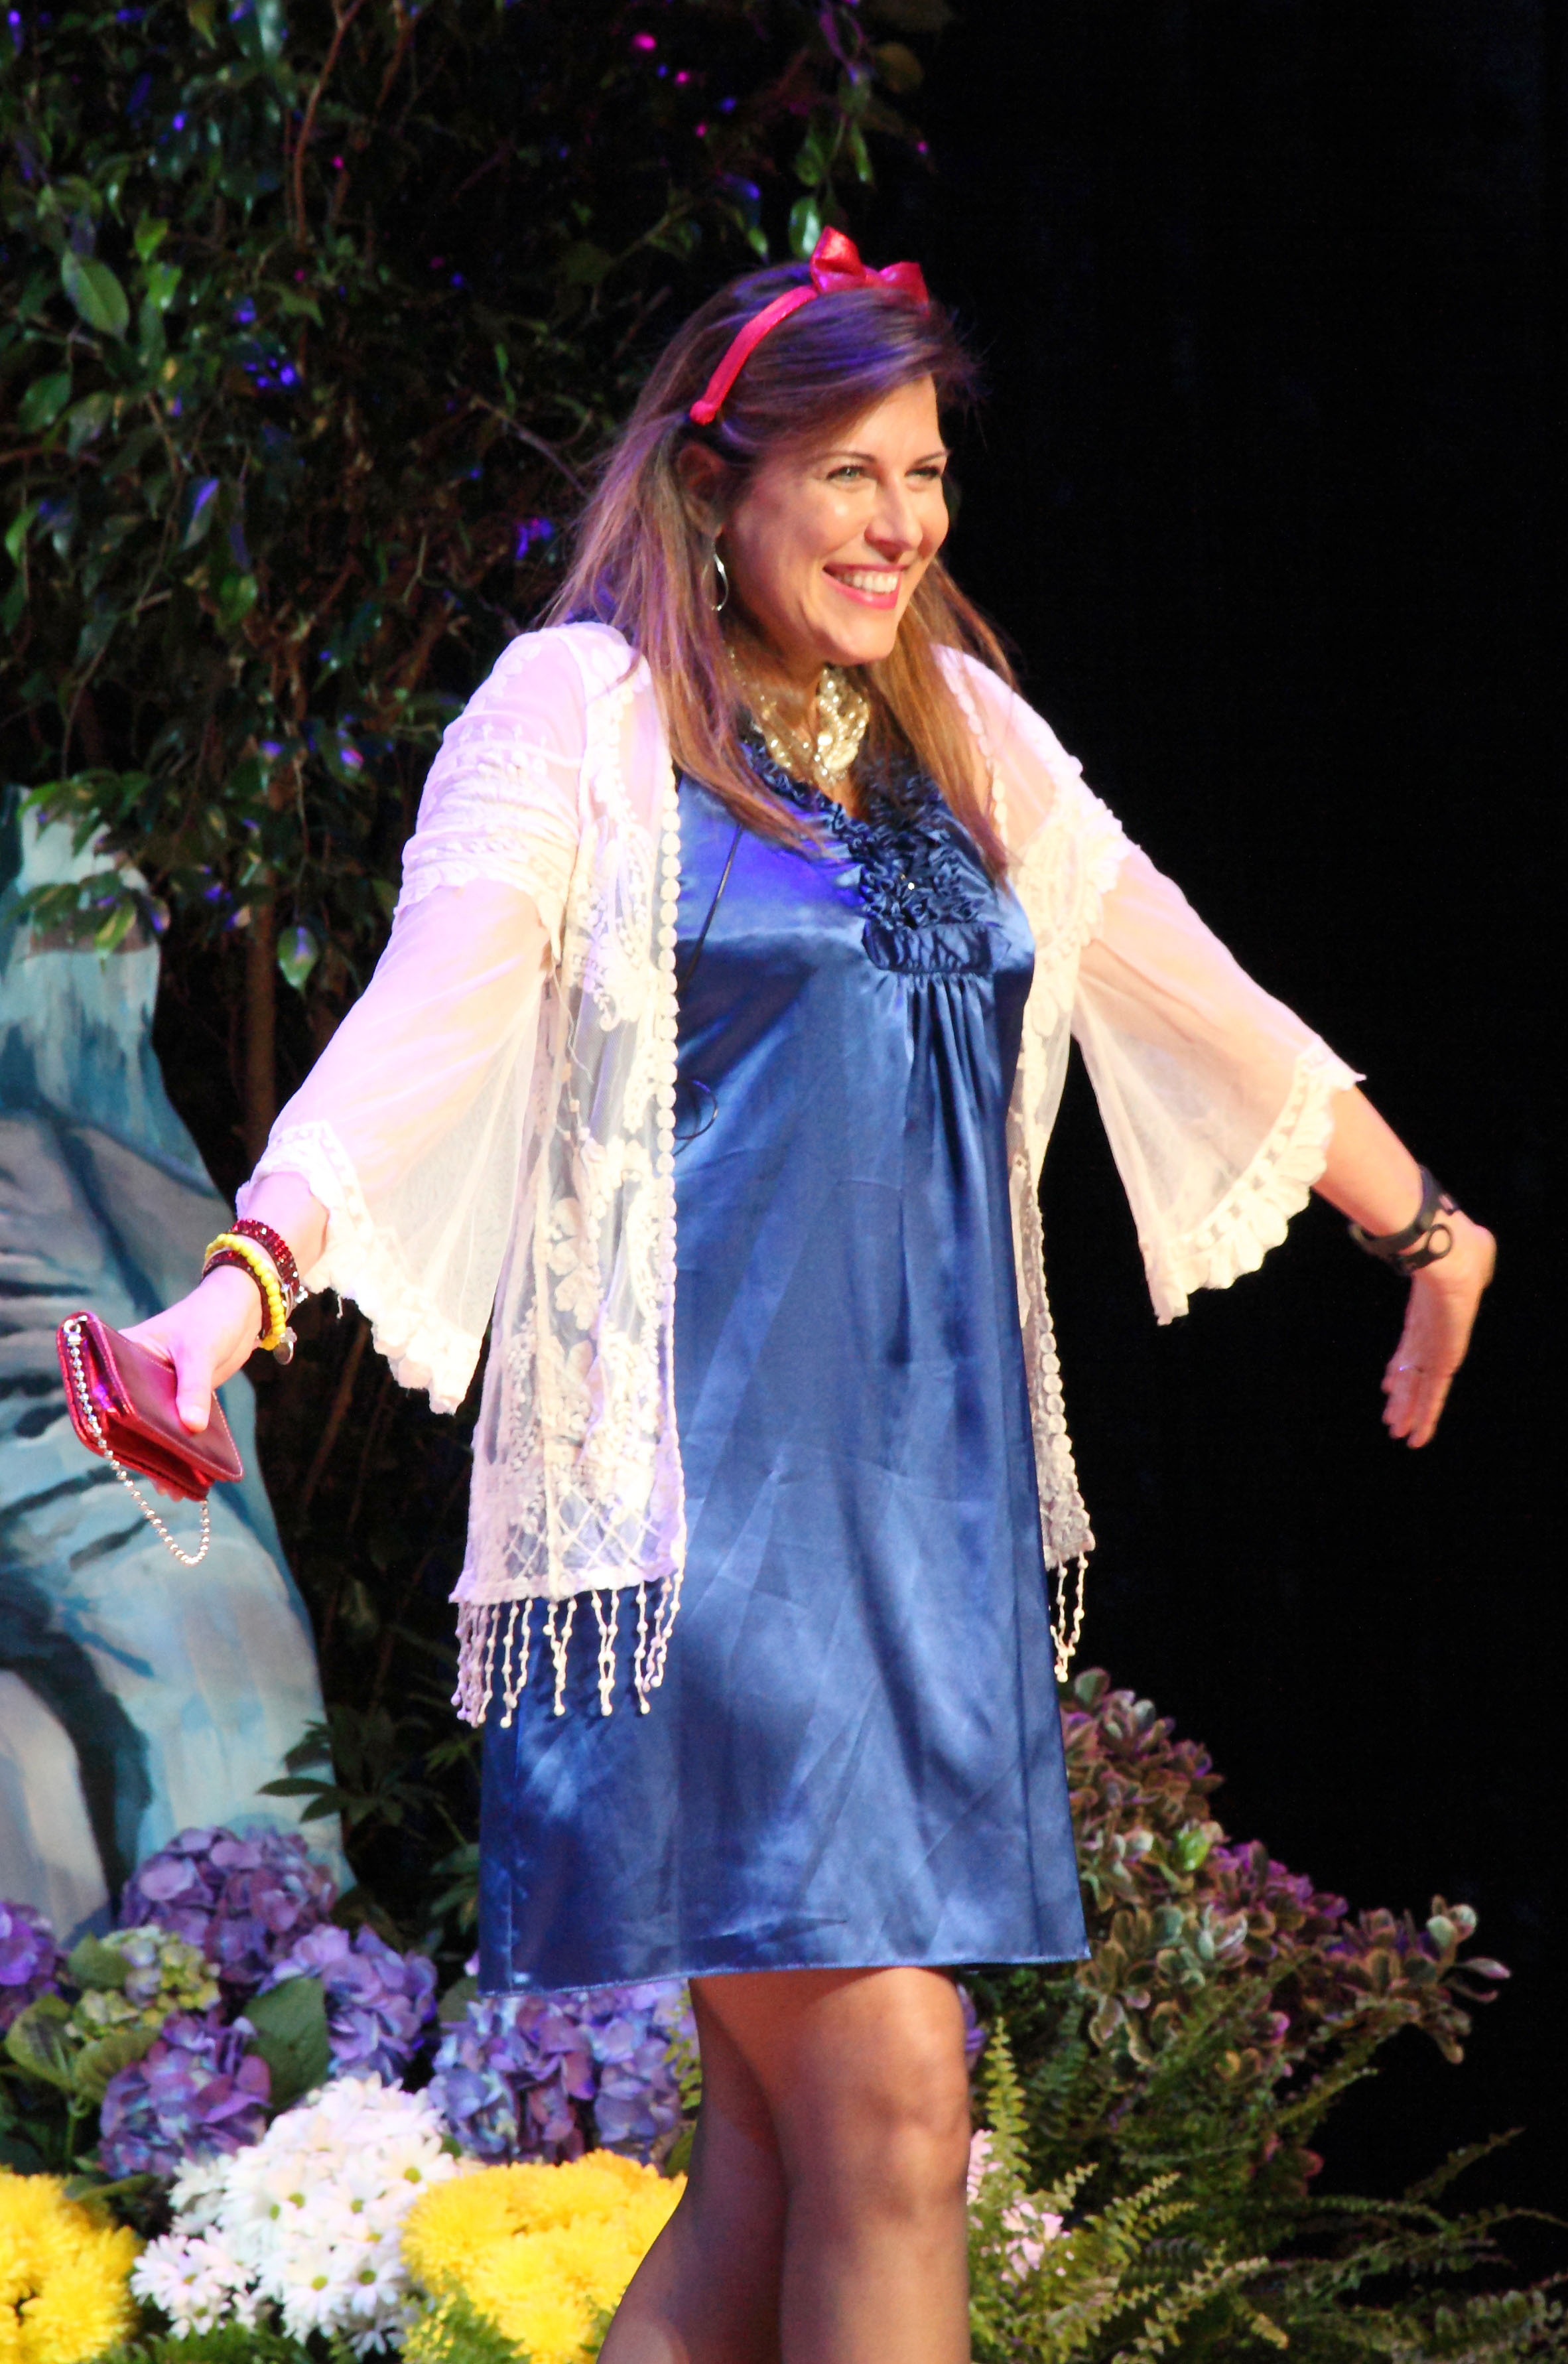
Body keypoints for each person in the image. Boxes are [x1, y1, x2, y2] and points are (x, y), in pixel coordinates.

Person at [129, 232, 1494, 2364]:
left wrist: (1421, 1224)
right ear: (717, 486)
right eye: (847, 470)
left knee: (769, 2180)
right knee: (890, 2102)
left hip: (912, 1535)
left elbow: (1165, 970)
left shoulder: (955, 731)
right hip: (698, 1549)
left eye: (926, 470)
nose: (900, 519)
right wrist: (228, 1302)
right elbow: (418, 1040)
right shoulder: (578, 721)